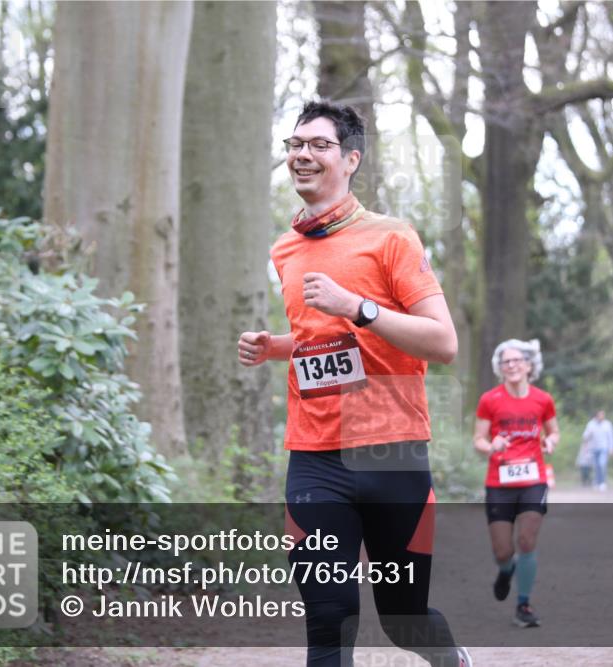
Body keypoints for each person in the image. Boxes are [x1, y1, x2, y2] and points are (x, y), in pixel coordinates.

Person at [238, 101, 471, 667]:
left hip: (392, 453)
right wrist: (278, 348)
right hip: (314, 456)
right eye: (295, 145)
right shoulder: (285, 248)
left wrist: (358, 307)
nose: (302, 155)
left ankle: (452, 659)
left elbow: (442, 343)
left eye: (318, 145)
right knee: (327, 618)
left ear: (350, 160)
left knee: (404, 619)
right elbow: (330, 343)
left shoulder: (392, 239)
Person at [472, 339, 560, 628]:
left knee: (526, 541)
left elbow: (554, 432)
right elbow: (478, 440)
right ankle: (506, 570)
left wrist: (551, 441)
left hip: (533, 479)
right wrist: (491, 445)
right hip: (499, 481)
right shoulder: (490, 400)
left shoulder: (542, 399)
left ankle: (523, 604)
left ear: (528, 365)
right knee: (503, 552)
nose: (511, 365)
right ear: (500, 368)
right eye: (506, 362)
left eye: (516, 360)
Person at [581, 410, 613, 491]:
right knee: (596, 466)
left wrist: (612, 448)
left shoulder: (607, 424)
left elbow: (611, 437)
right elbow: (585, 436)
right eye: (600, 415)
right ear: (596, 416)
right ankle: (597, 482)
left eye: (603, 415)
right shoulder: (591, 424)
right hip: (593, 448)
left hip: (604, 448)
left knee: (602, 464)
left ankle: (603, 482)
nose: (602, 417)